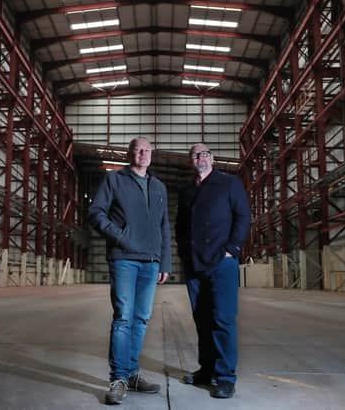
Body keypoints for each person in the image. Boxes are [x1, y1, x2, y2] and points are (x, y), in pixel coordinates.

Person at [88, 136, 171, 405]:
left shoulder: (159, 186)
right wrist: (120, 236)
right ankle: (119, 378)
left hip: (151, 262)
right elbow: (96, 212)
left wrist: (165, 262)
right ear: (129, 154)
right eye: (137, 150)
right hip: (124, 259)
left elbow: (164, 227)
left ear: (152, 155)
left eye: (147, 150)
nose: (143, 154)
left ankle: (133, 375)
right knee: (123, 317)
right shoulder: (115, 179)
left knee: (141, 319)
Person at [175, 143, 251, 399]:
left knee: (223, 319)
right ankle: (206, 370)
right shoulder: (186, 191)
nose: (201, 157)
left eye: (205, 153)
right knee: (202, 319)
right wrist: (184, 253)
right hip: (195, 263)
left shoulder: (229, 184)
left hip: (222, 262)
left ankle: (226, 377)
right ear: (190, 161)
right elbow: (180, 226)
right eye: (196, 154)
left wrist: (232, 249)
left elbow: (243, 217)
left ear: (213, 158)